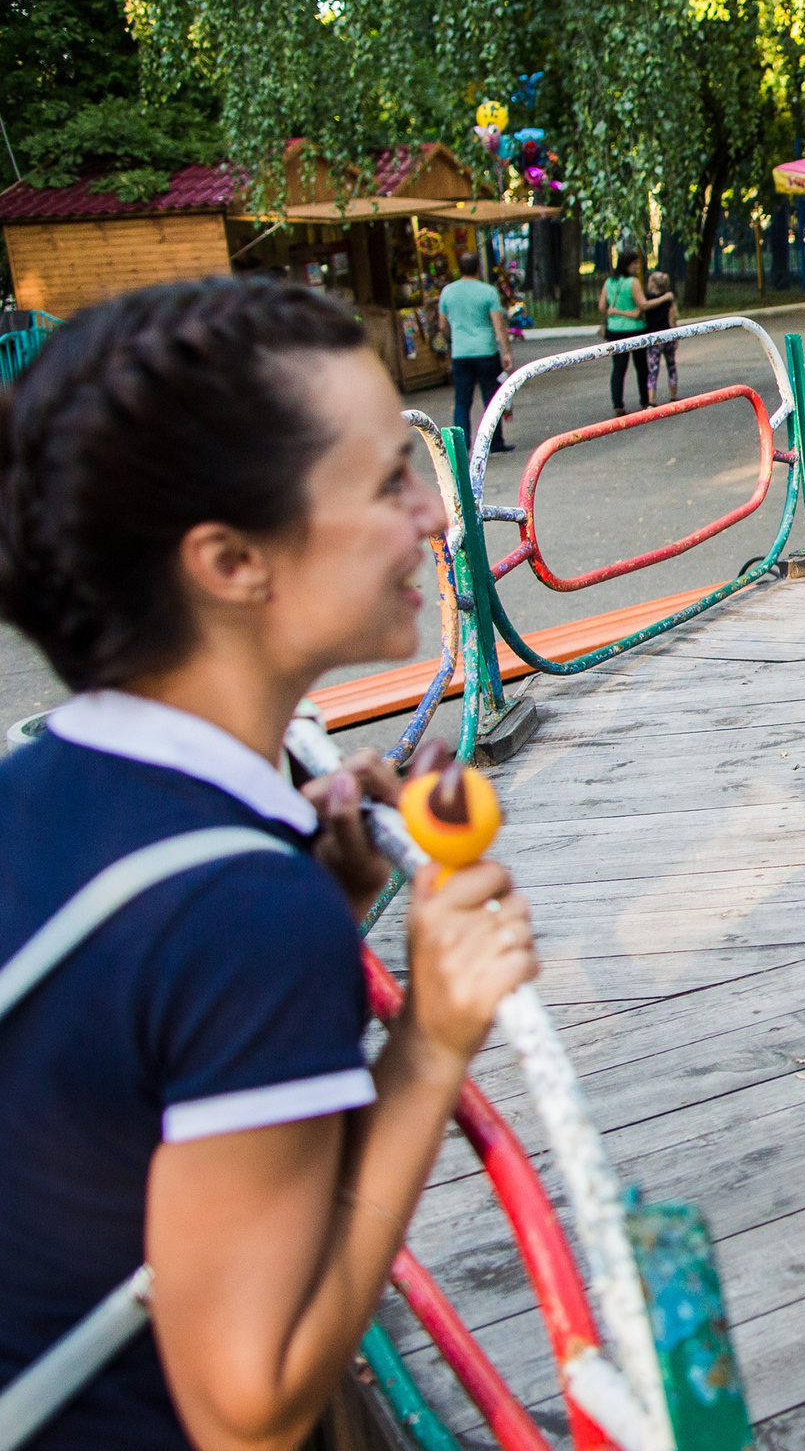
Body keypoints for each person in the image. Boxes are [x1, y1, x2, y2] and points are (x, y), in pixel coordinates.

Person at [0, 278, 538, 1450]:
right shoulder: (240, 908)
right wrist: (429, 1041)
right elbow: (249, 1408)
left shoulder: (33, 788)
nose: (435, 516)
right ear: (233, 559)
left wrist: (325, 914)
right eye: (388, 481)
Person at [438, 251, 514, 453]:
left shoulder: (447, 292)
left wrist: (452, 340)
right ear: (479, 268)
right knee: (492, 399)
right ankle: (494, 442)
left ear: (459, 268)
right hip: (486, 351)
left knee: (462, 401)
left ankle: (461, 446)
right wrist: (506, 351)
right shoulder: (488, 292)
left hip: (460, 353)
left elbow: (442, 325)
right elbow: (499, 325)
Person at [598, 250, 645, 414]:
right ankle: (645, 400)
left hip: (614, 329)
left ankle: (618, 404)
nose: (637, 266)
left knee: (618, 368)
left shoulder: (609, 282)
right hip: (635, 329)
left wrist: (614, 313)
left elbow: (602, 306)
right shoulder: (633, 282)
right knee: (641, 366)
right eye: (635, 263)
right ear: (627, 265)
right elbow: (642, 304)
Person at [637, 270, 680, 409]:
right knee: (671, 366)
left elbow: (640, 312)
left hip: (653, 339)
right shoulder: (668, 301)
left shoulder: (648, 299)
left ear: (652, 283)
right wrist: (676, 338)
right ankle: (673, 396)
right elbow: (672, 320)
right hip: (667, 337)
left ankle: (651, 400)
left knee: (653, 369)